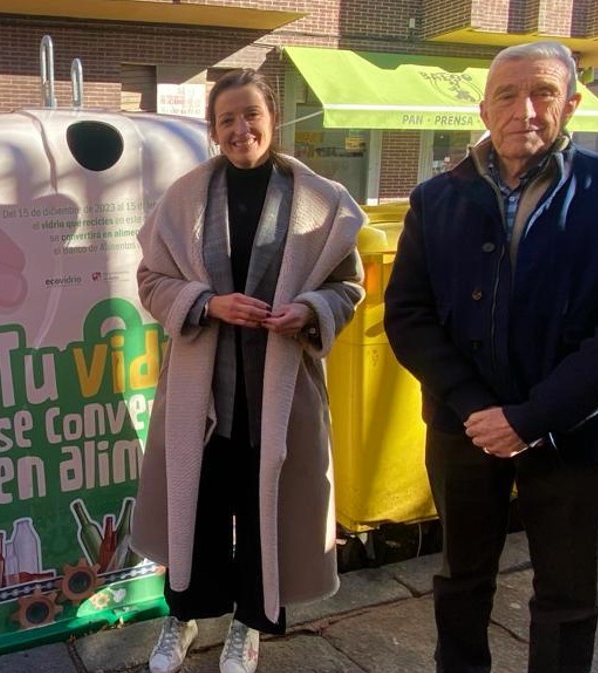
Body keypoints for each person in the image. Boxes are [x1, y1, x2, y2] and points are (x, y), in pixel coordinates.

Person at [384, 41, 598, 673]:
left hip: (576, 434)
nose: (525, 110)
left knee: (566, 595)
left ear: (571, 104)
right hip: (466, 431)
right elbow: (408, 315)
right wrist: (476, 406)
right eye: (507, 95)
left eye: (542, 92)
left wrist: (533, 416)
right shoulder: (436, 198)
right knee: (460, 580)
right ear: (485, 110)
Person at [131, 68, 366, 673]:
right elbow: (152, 282)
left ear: (273, 120)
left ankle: (248, 627)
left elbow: (348, 287)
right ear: (213, 130)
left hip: (279, 392)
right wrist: (207, 303)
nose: (241, 130)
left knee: (266, 518)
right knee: (197, 512)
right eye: (227, 120)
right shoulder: (184, 197)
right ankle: (181, 620)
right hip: (200, 397)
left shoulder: (319, 201)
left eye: (251, 116)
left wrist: (309, 311)